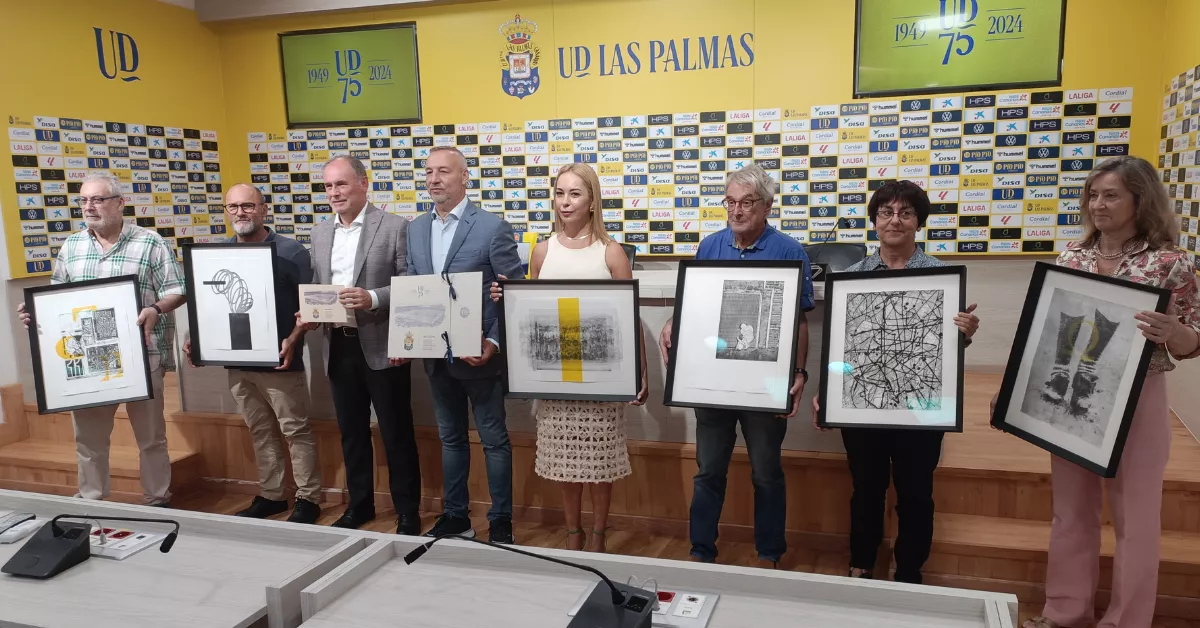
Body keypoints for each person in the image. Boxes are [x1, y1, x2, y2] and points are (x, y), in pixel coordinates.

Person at [994, 156, 1200, 628]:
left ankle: (1127, 620)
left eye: (1111, 195)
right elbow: (1045, 336)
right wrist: (1013, 389)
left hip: (1139, 398)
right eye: (1093, 194)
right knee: (1069, 510)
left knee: (1138, 518)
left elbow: (1193, 342)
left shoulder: (1171, 262)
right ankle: (1065, 611)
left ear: (1139, 200)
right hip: (1066, 393)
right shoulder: (1073, 257)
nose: (1098, 204)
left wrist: (1172, 330)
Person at [810, 180, 979, 584]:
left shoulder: (940, 277)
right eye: (886, 212)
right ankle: (862, 561)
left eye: (905, 213)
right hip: (863, 404)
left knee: (915, 494)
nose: (895, 220)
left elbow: (942, 353)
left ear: (919, 222)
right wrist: (827, 390)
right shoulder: (852, 277)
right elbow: (842, 349)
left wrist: (965, 332)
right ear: (874, 221)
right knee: (866, 490)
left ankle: (909, 569)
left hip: (919, 406)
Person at [658, 163, 814, 566]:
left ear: (766, 206)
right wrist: (673, 322)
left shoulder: (789, 251)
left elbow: (798, 322)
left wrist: (798, 373)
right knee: (708, 470)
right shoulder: (710, 247)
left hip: (763, 384)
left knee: (766, 472)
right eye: (730, 202)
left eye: (746, 203)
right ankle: (701, 549)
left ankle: (769, 552)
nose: (737, 211)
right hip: (712, 383)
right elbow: (693, 308)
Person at [489, 164, 648, 552]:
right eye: (560, 193)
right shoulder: (542, 251)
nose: (565, 202)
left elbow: (630, 318)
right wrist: (509, 298)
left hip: (603, 381)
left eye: (575, 194)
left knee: (599, 463)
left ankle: (598, 535)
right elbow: (532, 316)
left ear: (592, 200)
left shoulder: (611, 253)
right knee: (565, 461)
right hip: (556, 378)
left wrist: (641, 374)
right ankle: (572, 533)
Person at [17, 171, 186, 506]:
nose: (89, 206)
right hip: (89, 362)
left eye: (97, 199)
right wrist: (36, 315)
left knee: (151, 439)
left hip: (142, 357)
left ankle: (157, 500)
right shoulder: (72, 246)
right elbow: (56, 299)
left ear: (120, 203)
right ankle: (92, 502)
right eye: (83, 200)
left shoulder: (150, 242)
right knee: (89, 441)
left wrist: (154, 308)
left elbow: (177, 291)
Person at [403, 146, 523, 543]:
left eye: (444, 172)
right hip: (435, 356)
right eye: (429, 172)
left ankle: (501, 518)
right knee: (450, 438)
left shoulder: (491, 227)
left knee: (494, 439)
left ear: (464, 178)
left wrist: (493, 340)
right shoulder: (415, 228)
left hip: (480, 356)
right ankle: (456, 516)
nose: (434, 179)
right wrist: (405, 336)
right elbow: (413, 289)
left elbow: (513, 294)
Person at [182, 183, 321, 524]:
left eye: (247, 206)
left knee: (295, 431)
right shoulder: (218, 255)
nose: (240, 213)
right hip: (238, 364)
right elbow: (211, 307)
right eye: (233, 207)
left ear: (263, 209)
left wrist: (293, 337)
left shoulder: (292, 252)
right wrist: (198, 339)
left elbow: (311, 310)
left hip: (280, 362)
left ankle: (309, 499)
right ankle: (273, 495)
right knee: (260, 430)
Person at [301, 155, 421, 533]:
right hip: (337, 345)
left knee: (396, 432)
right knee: (351, 433)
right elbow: (319, 286)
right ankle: (360, 504)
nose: (334, 193)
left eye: (341, 184)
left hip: (384, 345)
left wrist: (373, 297)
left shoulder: (396, 227)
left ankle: (407, 511)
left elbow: (413, 285)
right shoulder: (319, 234)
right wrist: (309, 313)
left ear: (363, 184)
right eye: (328, 186)